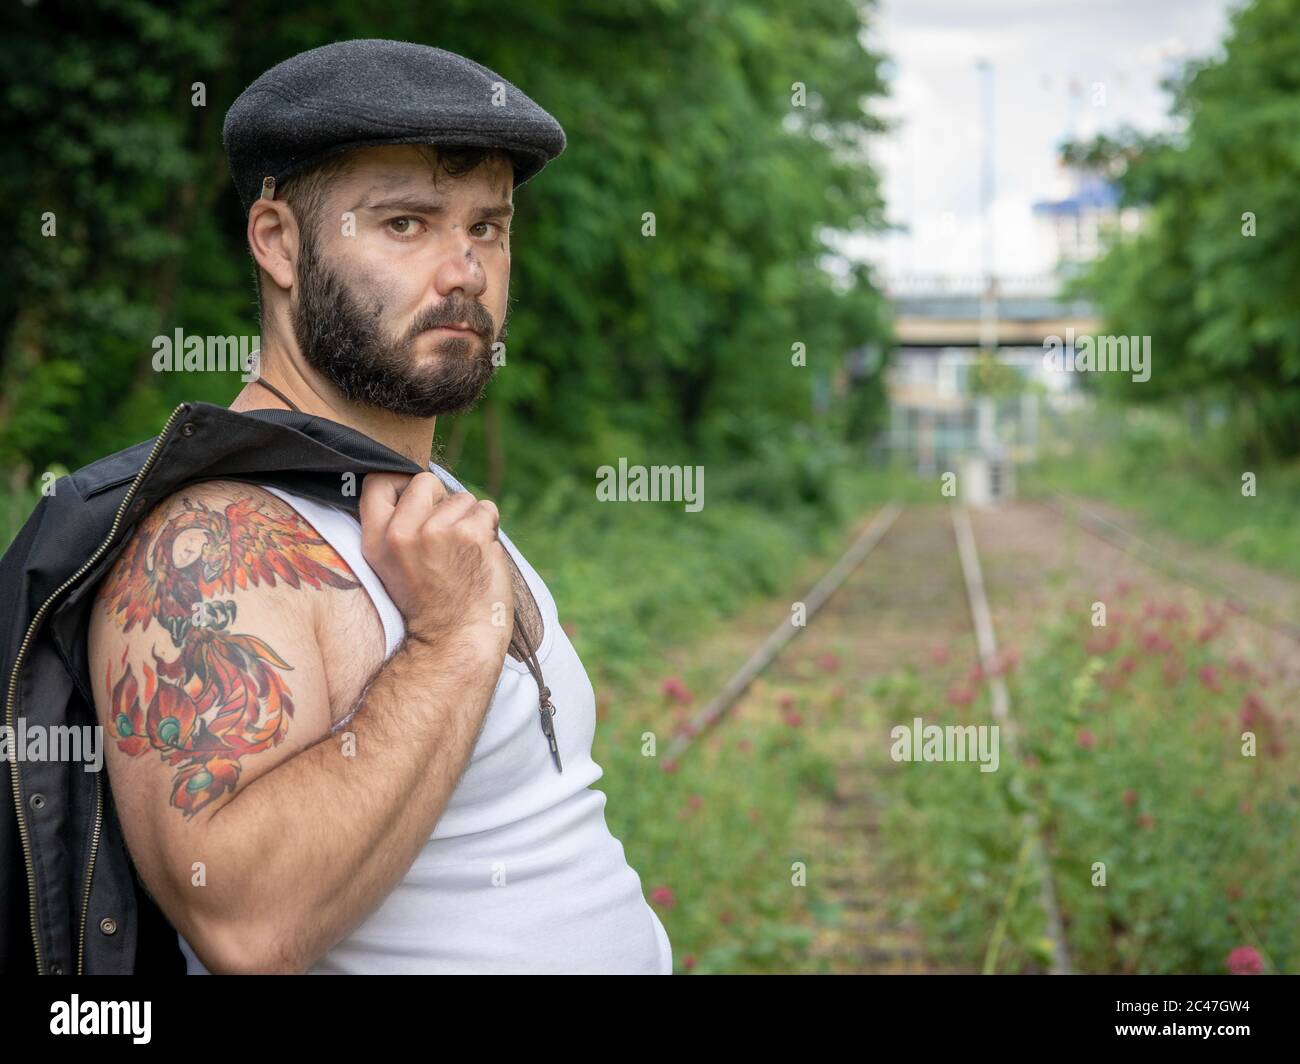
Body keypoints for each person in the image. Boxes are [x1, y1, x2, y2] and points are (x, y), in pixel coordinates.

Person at [84, 39, 672, 975]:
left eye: (488, 227)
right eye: (406, 224)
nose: (465, 272)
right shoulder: (211, 539)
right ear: (278, 240)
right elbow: (244, 926)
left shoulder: (428, 506)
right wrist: (450, 644)